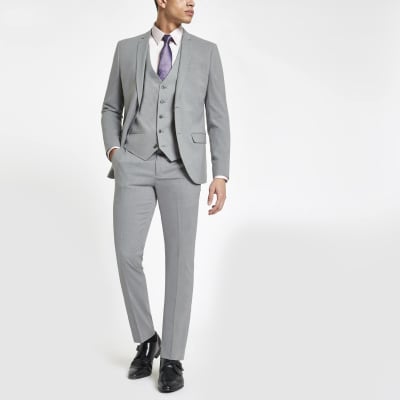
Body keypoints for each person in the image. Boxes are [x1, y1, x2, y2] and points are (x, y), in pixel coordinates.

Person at [101, 0, 230, 392]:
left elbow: (218, 117)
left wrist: (220, 173)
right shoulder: (127, 49)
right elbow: (110, 108)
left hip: (183, 167)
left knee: (180, 262)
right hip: (134, 164)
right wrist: (115, 153)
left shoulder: (207, 52)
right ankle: (147, 339)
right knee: (127, 253)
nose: (192, 2)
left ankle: (172, 357)